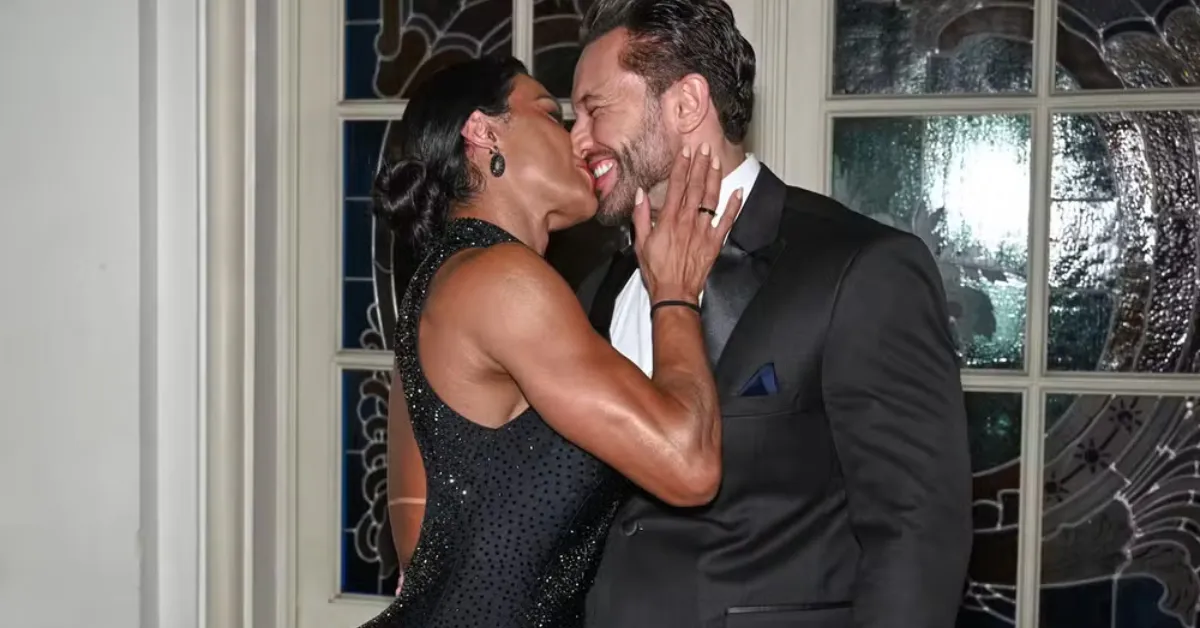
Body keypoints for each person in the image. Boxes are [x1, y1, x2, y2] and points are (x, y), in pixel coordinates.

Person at [571, 2, 973, 627]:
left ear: (685, 104)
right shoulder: (601, 286)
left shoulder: (859, 269)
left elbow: (917, 534)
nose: (577, 140)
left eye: (595, 110)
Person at [361, 55, 744, 628]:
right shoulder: (501, 280)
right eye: (552, 113)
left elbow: (423, 546)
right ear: (482, 131)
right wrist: (674, 293)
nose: (580, 141)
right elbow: (687, 464)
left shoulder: (445, 281)